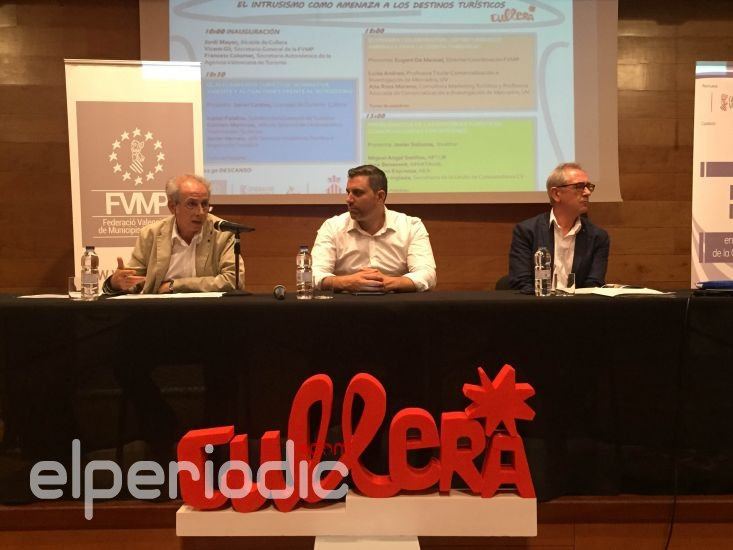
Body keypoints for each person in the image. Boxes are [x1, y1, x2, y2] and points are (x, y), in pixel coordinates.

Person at [104, 173, 242, 294]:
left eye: (204, 204)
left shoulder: (223, 233)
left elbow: (234, 280)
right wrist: (116, 283)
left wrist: (175, 286)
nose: (200, 212)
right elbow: (135, 282)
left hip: (207, 310)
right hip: (161, 310)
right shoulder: (151, 234)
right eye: (191, 204)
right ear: (173, 207)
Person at [312, 164, 437, 292]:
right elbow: (314, 274)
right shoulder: (332, 227)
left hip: (395, 302)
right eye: (348, 192)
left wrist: (388, 283)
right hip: (346, 303)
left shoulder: (411, 226)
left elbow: (427, 275)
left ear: (380, 196)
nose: (348, 199)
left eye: (357, 193)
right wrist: (348, 282)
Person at [508, 162, 609, 293]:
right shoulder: (527, 231)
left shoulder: (598, 237)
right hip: (536, 303)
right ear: (556, 194)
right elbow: (521, 283)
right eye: (579, 186)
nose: (587, 192)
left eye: (588, 186)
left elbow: (593, 284)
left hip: (579, 304)